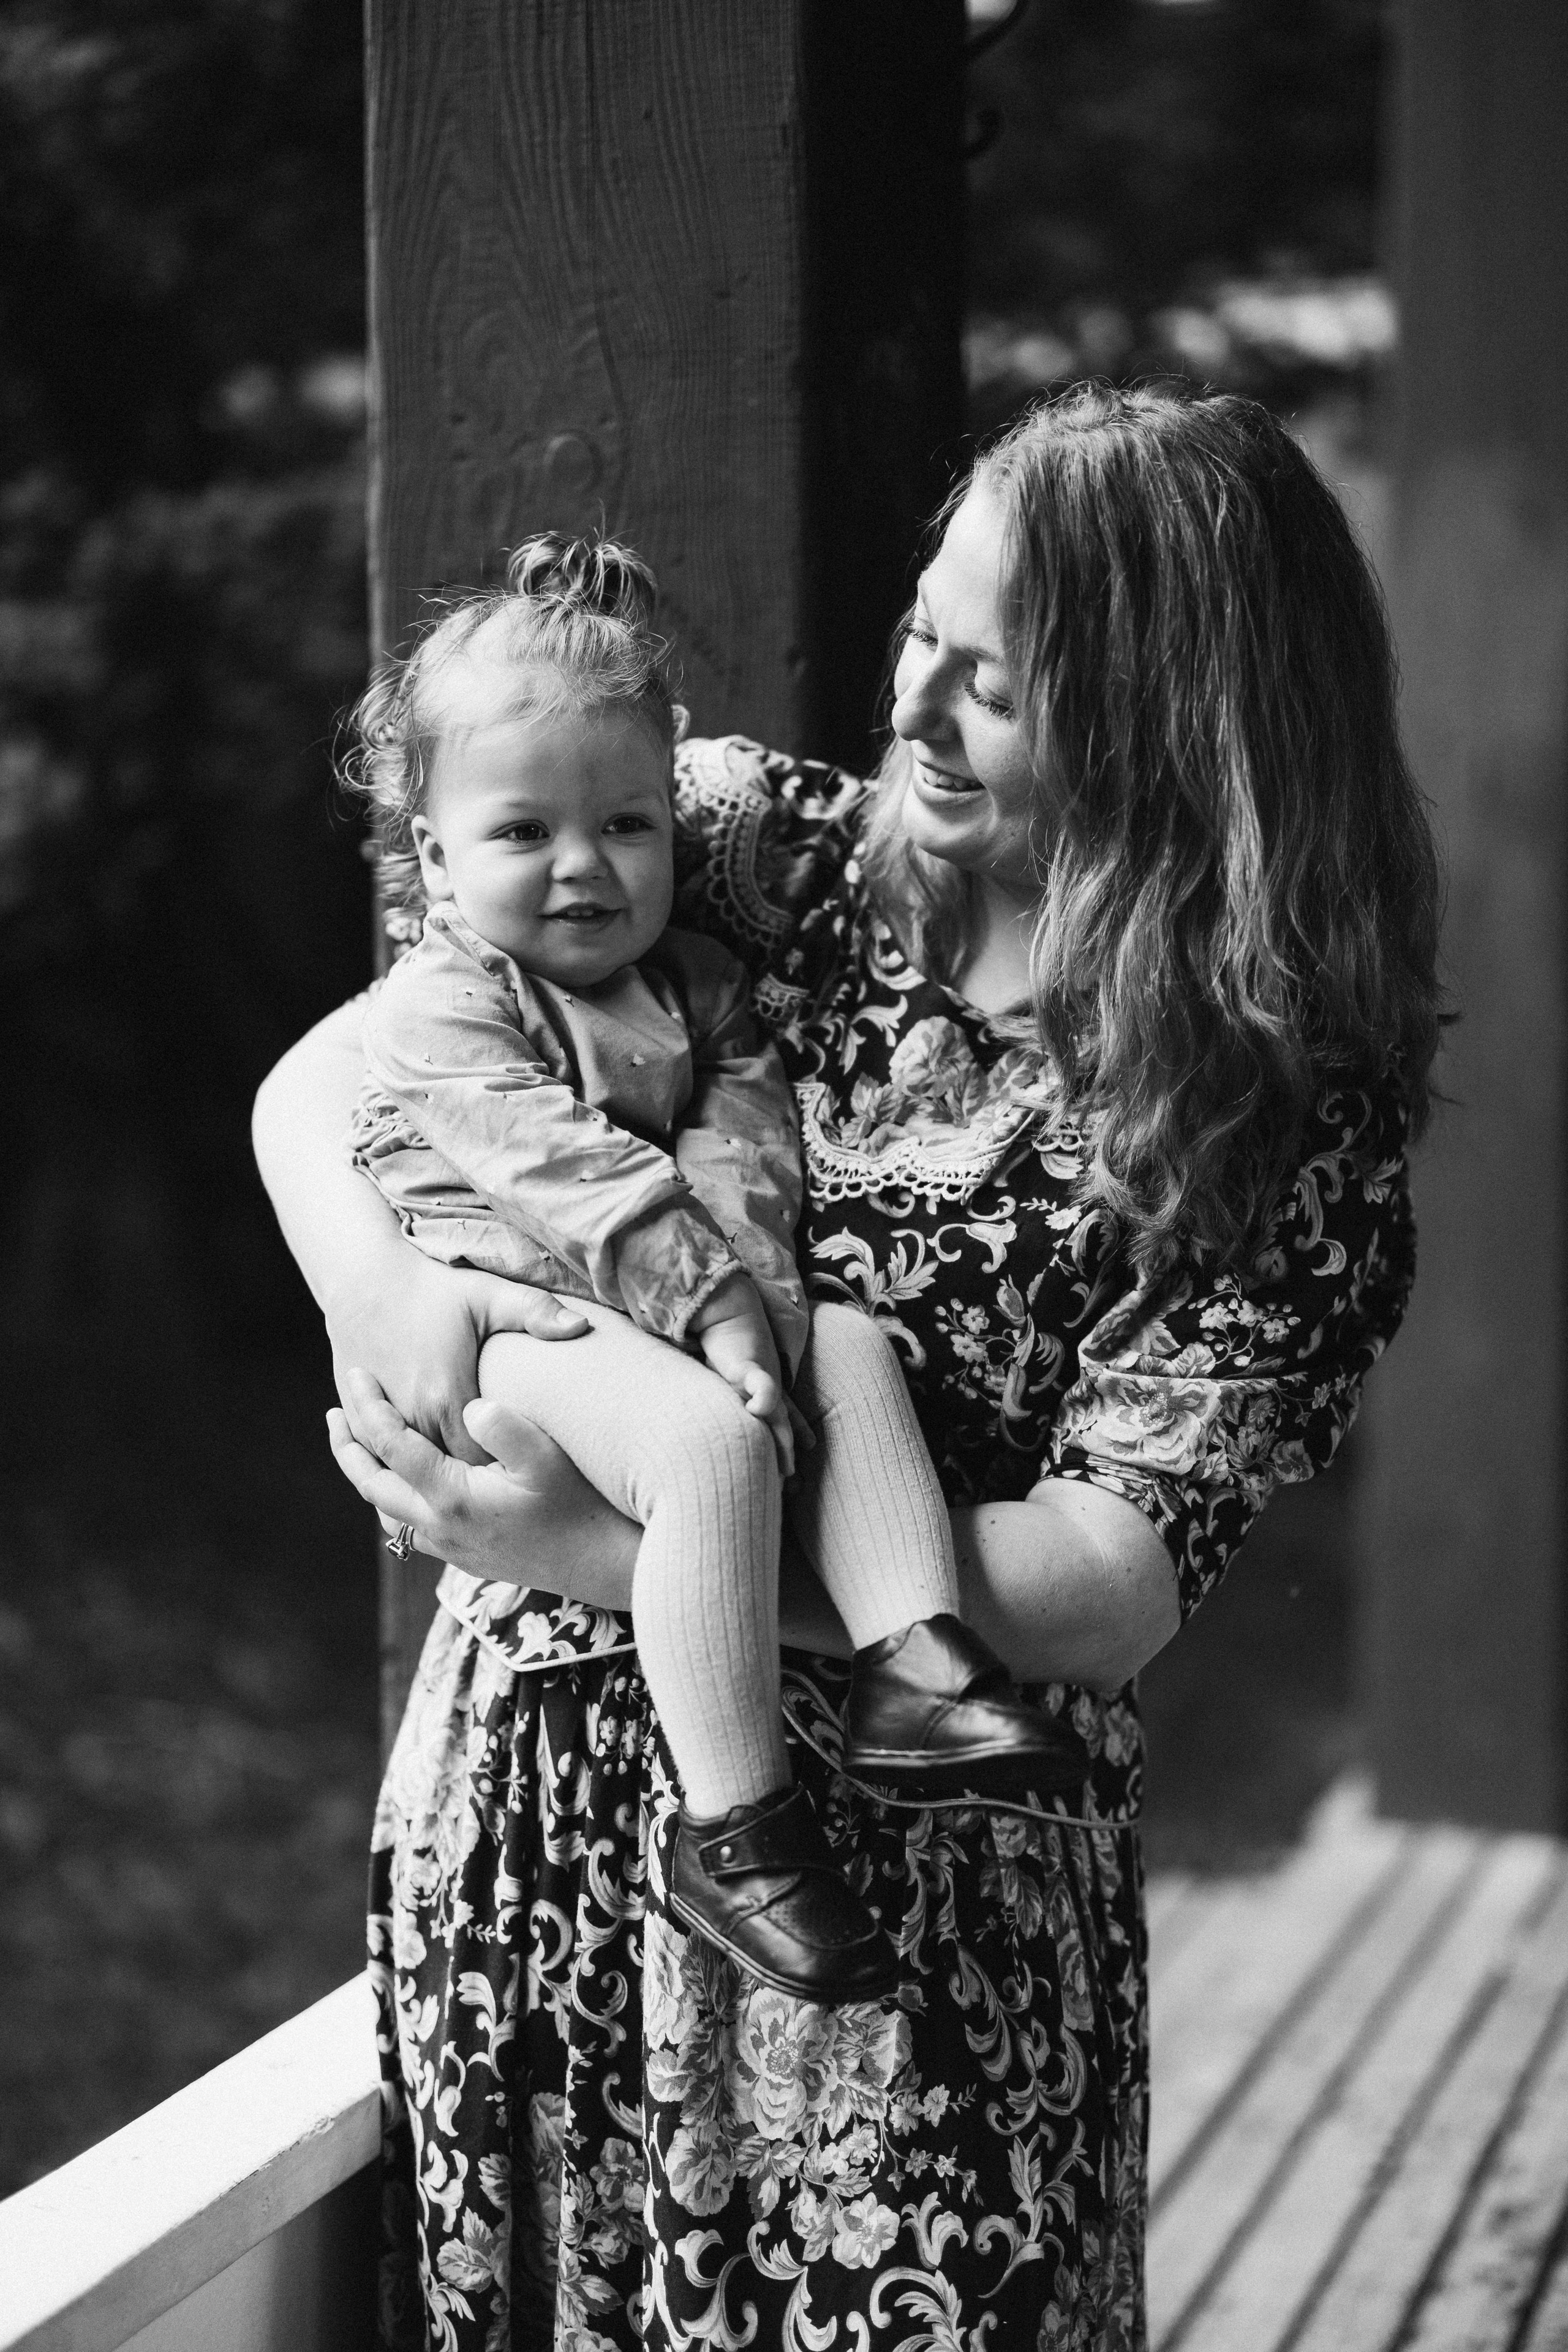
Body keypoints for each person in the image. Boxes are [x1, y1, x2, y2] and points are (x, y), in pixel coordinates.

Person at [254, 384, 1441, 2351]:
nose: (913, 704)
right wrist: (378, 1283)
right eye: (920, 633)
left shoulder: (1271, 1108)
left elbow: (1110, 1579)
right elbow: (352, 1062)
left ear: (1172, 716)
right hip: (544, 1842)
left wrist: (623, 1553)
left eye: (998, 678)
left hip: (920, 1936)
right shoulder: (746, 847)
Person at [341, 529, 1079, 2002]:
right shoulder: (439, 1006)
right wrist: (714, 1319)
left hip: (660, 1307)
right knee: (708, 1449)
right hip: (526, 1318)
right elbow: (573, 1177)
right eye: (520, 833)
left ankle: (913, 1659)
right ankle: (734, 1827)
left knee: (848, 1347)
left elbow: (744, 1149)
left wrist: (762, 1313)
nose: (580, 867)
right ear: (432, 857)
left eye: (624, 824)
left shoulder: (699, 982)